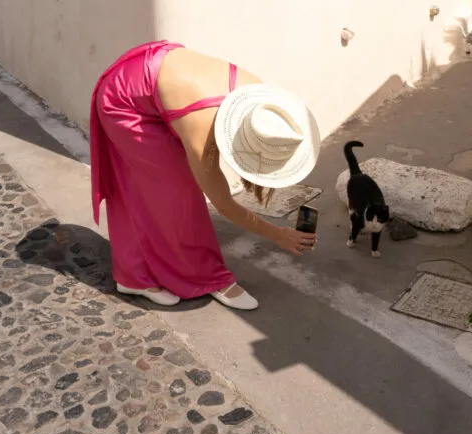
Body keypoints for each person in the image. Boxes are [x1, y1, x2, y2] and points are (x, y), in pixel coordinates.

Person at [90, 40, 320, 311]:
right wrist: (277, 234)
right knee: (181, 195)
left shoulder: (258, 99)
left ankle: (133, 275)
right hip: (123, 103)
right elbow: (223, 203)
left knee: (149, 188)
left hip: (154, 79)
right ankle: (206, 278)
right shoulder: (201, 128)